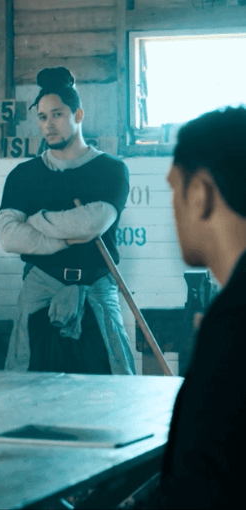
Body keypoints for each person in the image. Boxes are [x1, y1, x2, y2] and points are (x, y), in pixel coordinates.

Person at [0, 67, 135, 375]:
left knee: (112, 386)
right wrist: (64, 237)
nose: (49, 125)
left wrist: (37, 220)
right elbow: (9, 237)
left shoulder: (111, 170)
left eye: (58, 114)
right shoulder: (24, 175)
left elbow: (94, 223)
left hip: (96, 288)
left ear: (78, 114)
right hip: (40, 287)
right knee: (28, 384)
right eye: (43, 117)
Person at [144, 106, 246, 508]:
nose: (173, 207)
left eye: (174, 189)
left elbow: (195, 486)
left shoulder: (233, 325)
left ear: (200, 193)